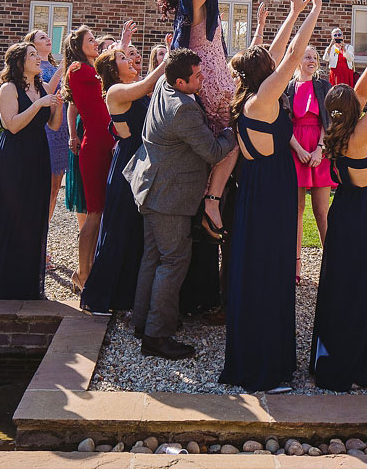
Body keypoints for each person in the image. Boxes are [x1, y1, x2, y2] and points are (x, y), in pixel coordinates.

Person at [220, 0, 323, 392]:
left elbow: (279, 51)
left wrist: (294, 12)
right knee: (267, 275)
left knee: (260, 274)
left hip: (259, 195)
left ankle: (260, 360)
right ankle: (262, 370)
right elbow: (294, 53)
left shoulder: (249, 95)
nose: (278, 63)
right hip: (270, 198)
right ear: (266, 74)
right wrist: (314, 9)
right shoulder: (263, 101)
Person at [127, 48, 237, 359]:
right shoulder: (183, 109)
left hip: (151, 186)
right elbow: (214, 151)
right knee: (172, 263)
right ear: (180, 80)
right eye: (199, 76)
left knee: (153, 258)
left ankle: (142, 323)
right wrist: (231, 129)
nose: (204, 78)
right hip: (170, 197)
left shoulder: (164, 84)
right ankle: (156, 337)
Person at [310, 30, 367, 391]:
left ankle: (328, 356)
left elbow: (360, 95)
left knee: (338, 288)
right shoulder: (360, 137)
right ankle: (351, 362)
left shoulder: (336, 127)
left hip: (342, 215)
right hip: (364, 220)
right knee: (359, 289)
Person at [160, 0, 247, 240]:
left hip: (212, 74)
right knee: (231, 141)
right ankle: (211, 201)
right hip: (210, 78)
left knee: (221, 142)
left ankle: (208, 199)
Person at [82, 47, 165, 314]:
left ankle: (124, 298)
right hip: (127, 168)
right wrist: (171, 55)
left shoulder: (132, 88)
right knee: (117, 232)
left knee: (133, 233)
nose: (129, 60)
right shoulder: (117, 92)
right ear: (112, 70)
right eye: (122, 59)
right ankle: (97, 298)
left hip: (142, 162)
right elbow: (150, 82)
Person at [0, 42, 64, 299]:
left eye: (36, 54)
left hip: (37, 154)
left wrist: (58, 104)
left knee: (34, 215)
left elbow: (53, 126)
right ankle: (8, 285)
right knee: (13, 216)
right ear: (19, 61)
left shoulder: (42, 87)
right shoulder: (9, 88)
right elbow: (11, 125)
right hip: (14, 156)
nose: (37, 58)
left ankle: (30, 284)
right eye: (31, 55)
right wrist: (37, 105)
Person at [60, 25, 113, 291]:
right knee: (94, 212)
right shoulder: (80, 70)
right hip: (94, 146)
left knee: (101, 211)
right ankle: (83, 273)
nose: (95, 43)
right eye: (90, 40)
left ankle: (91, 269)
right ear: (78, 46)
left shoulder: (91, 69)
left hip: (106, 143)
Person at [285, 43, 334, 285]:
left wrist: (319, 149)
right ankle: (296, 265)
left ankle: (333, 262)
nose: (312, 61)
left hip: (318, 150)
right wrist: (299, 149)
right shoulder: (287, 87)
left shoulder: (324, 86)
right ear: (297, 61)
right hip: (295, 149)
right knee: (296, 211)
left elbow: (330, 120)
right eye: (307, 57)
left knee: (322, 210)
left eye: (314, 57)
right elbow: (283, 123)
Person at [24, 28, 70, 266]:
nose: (48, 39)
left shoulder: (52, 65)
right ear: (31, 44)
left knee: (54, 188)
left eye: (47, 36)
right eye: (42, 37)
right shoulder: (34, 68)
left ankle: (43, 239)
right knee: (43, 188)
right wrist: (63, 66)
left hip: (60, 128)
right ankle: (35, 244)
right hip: (46, 131)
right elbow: (47, 91)